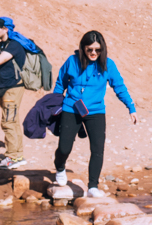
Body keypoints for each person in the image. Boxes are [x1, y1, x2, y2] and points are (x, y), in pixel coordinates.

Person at [53, 30, 138, 197]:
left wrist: (131, 107)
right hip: (71, 108)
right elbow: (59, 84)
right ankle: (60, 167)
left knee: (98, 149)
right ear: (83, 48)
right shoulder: (72, 61)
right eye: (90, 49)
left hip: (96, 111)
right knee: (64, 147)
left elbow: (119, 87)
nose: (93, 53)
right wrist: (54, 105)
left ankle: (93, 187)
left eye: (97, 50)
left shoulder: (108, 64)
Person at [0, 16, 36, 169]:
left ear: (6, 29)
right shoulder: (3, 45)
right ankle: (17, 154)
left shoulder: (14, 46)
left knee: (8, 122)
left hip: (13, 88)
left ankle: (13, 157)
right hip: (5, 87)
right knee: (13, 121)